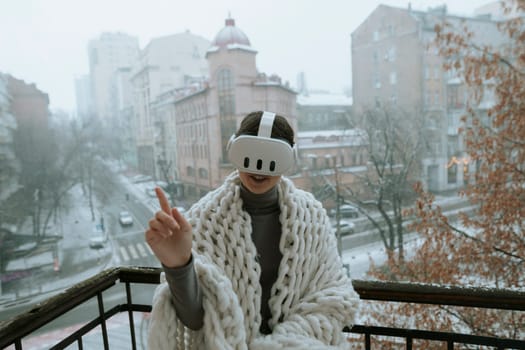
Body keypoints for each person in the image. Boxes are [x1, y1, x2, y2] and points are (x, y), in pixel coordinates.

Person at [146, 111, 359, 349]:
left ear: (290, 159)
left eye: (273, 157)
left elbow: (333, 295)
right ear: (233, 150)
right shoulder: (204, 222)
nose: (259, 167)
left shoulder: (312, 219)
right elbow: (195, 320)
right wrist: (179, 264)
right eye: (248, 154)